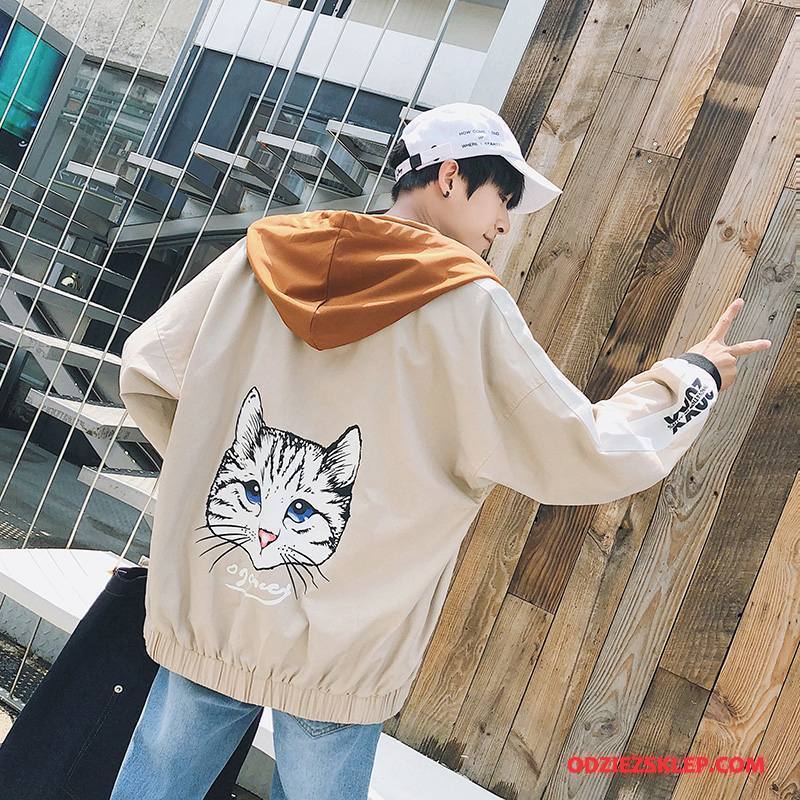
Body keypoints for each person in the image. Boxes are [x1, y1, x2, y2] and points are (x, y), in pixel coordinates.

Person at [110, 102, 770, 799]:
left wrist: (211, 483)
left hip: (220, 600)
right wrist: (691, 378)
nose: (504, 224)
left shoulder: (261, 255)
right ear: (450, 176)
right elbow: (585, 446)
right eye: (502, 197)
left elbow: (149, 367)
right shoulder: (468, 305)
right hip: (350, 637)